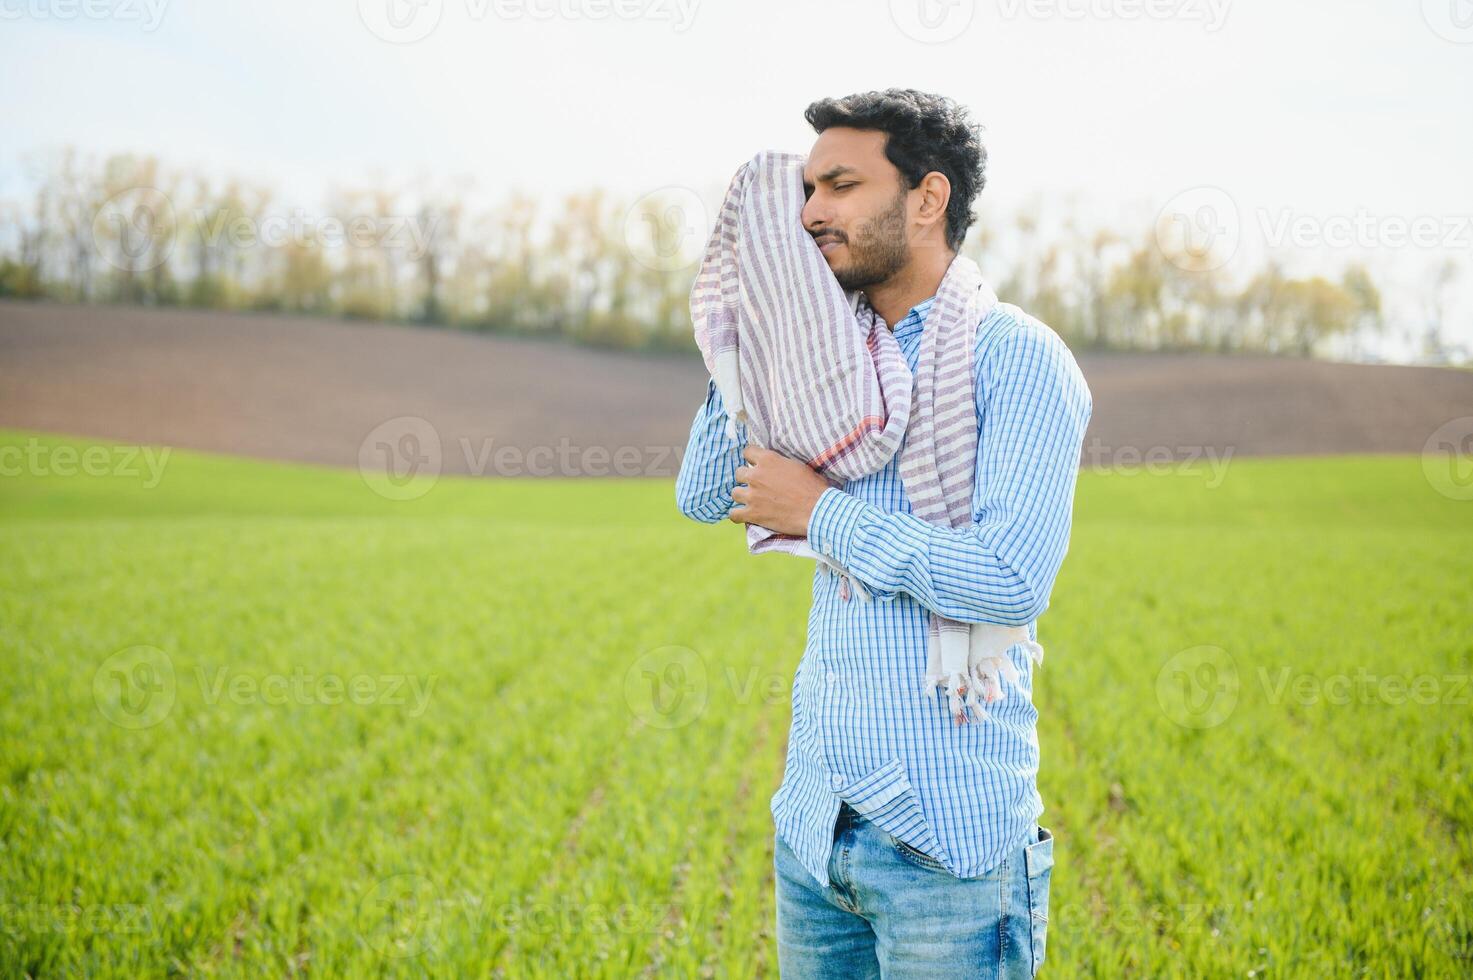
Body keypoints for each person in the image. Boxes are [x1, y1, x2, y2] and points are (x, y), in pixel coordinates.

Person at [675, 88, 1092, 978]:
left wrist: (820, 512)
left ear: (926, 199)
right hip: (816, 832)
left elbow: (1009, 580)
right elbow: (704, 494)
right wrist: (749, 341)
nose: (811, 211)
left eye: (839, 185)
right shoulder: (817, 355)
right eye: (806, 190)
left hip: (947, 850)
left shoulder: (1014, 358)